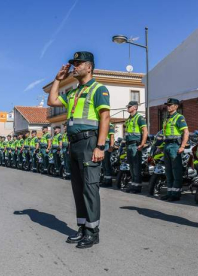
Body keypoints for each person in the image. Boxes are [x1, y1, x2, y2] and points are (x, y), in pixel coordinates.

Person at [47, 51, 110, 249]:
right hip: (73, 144)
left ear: (89, 67)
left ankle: (93, 232)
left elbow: (105, 118)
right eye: (74, 63)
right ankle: (82, 227)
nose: (75, 66)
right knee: (78, 188)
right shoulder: (73, 92)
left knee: (90, 187)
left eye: (79, 63)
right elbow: (52, 101)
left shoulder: (99, 89)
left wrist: (100, 146)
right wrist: (58, 79)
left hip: (89, 142)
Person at [160, 98, 189, 201]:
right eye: (167, 105)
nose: (168, 106)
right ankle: (170, 192)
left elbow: (186, 132)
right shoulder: (167, 118)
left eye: (170, 105)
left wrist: (182, 146)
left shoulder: (179, 117)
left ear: (176, 106)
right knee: (168, 171)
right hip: (167, 145)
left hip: (174, 145)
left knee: (176, 170)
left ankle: (176, 194)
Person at [124, 101, 148, 193]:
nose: (128, 108)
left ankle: (137, 186)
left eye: (129, 107)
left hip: (135, 145)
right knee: (131, 165)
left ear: (135, 107)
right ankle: (133, 184)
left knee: (136, 166)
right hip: (129, 144)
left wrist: (142, 144)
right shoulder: (129, 119)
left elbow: (145, 131)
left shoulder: (139, 118)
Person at [101, 123, 115, 187]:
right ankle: (105, 179)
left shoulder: (110, 125)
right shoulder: (101, 123)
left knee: (107, 163)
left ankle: (108, 181)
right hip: (102, 144)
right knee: (103, 164)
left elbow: (112, 136)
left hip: (107, 144)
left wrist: (111, 146)